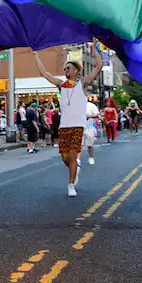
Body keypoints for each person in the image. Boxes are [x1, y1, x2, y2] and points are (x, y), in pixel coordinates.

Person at [33, 42, 102, 197]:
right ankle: (75, 168)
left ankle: (71, 185)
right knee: (65, 157)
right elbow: (44, 73)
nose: (65, 71)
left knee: (72, 154)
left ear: (76, 70)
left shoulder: (83, 83)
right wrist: (35, 55)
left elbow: (98, 67)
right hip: (64, 126)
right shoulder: (60, 84)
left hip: (78, 125)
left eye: (68, 68)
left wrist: (93, 49)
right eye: (64, 69)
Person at [83, 97, 100, 165]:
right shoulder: (76, 106)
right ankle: (77, 160)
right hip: (79, 127)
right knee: (78, 145)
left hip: (89, 127)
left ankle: (91, 157)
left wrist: (89, 116)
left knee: (90, 144)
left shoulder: (91, 105)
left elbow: (97, 114)